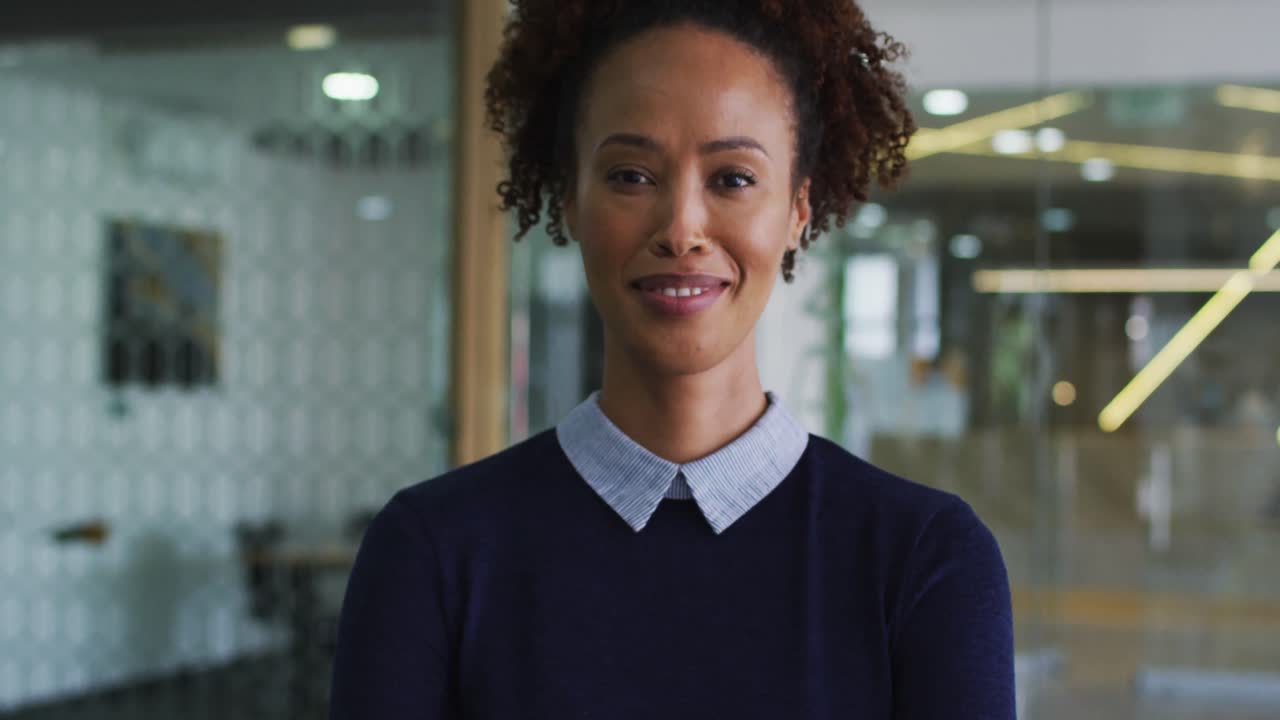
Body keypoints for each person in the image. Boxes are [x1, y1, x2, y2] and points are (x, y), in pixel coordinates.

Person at [329, 1, 1014, 717]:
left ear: (798, 211)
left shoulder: (924, 560)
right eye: (631, 175)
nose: (682, 228)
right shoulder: (433, 552)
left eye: (733, 178)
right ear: (569, 201)